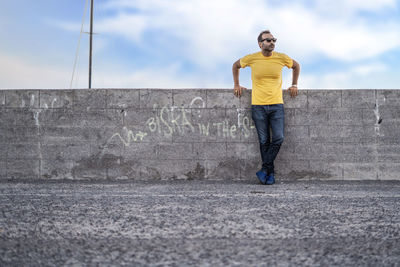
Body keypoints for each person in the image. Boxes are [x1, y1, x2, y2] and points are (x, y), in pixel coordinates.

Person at [232, 30, 300, 185]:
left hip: (277, 105)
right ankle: (270, 174)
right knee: (264, 140)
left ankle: (264, 169)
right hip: (258, 105)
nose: (272, 42)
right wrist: (236, 84)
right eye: (268, 40)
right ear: (260, 43)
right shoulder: (252, 58)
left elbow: (296, 66)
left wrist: (294, 84)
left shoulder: (281, 57)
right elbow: (235, 66)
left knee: (278, 138)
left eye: (274, 40)